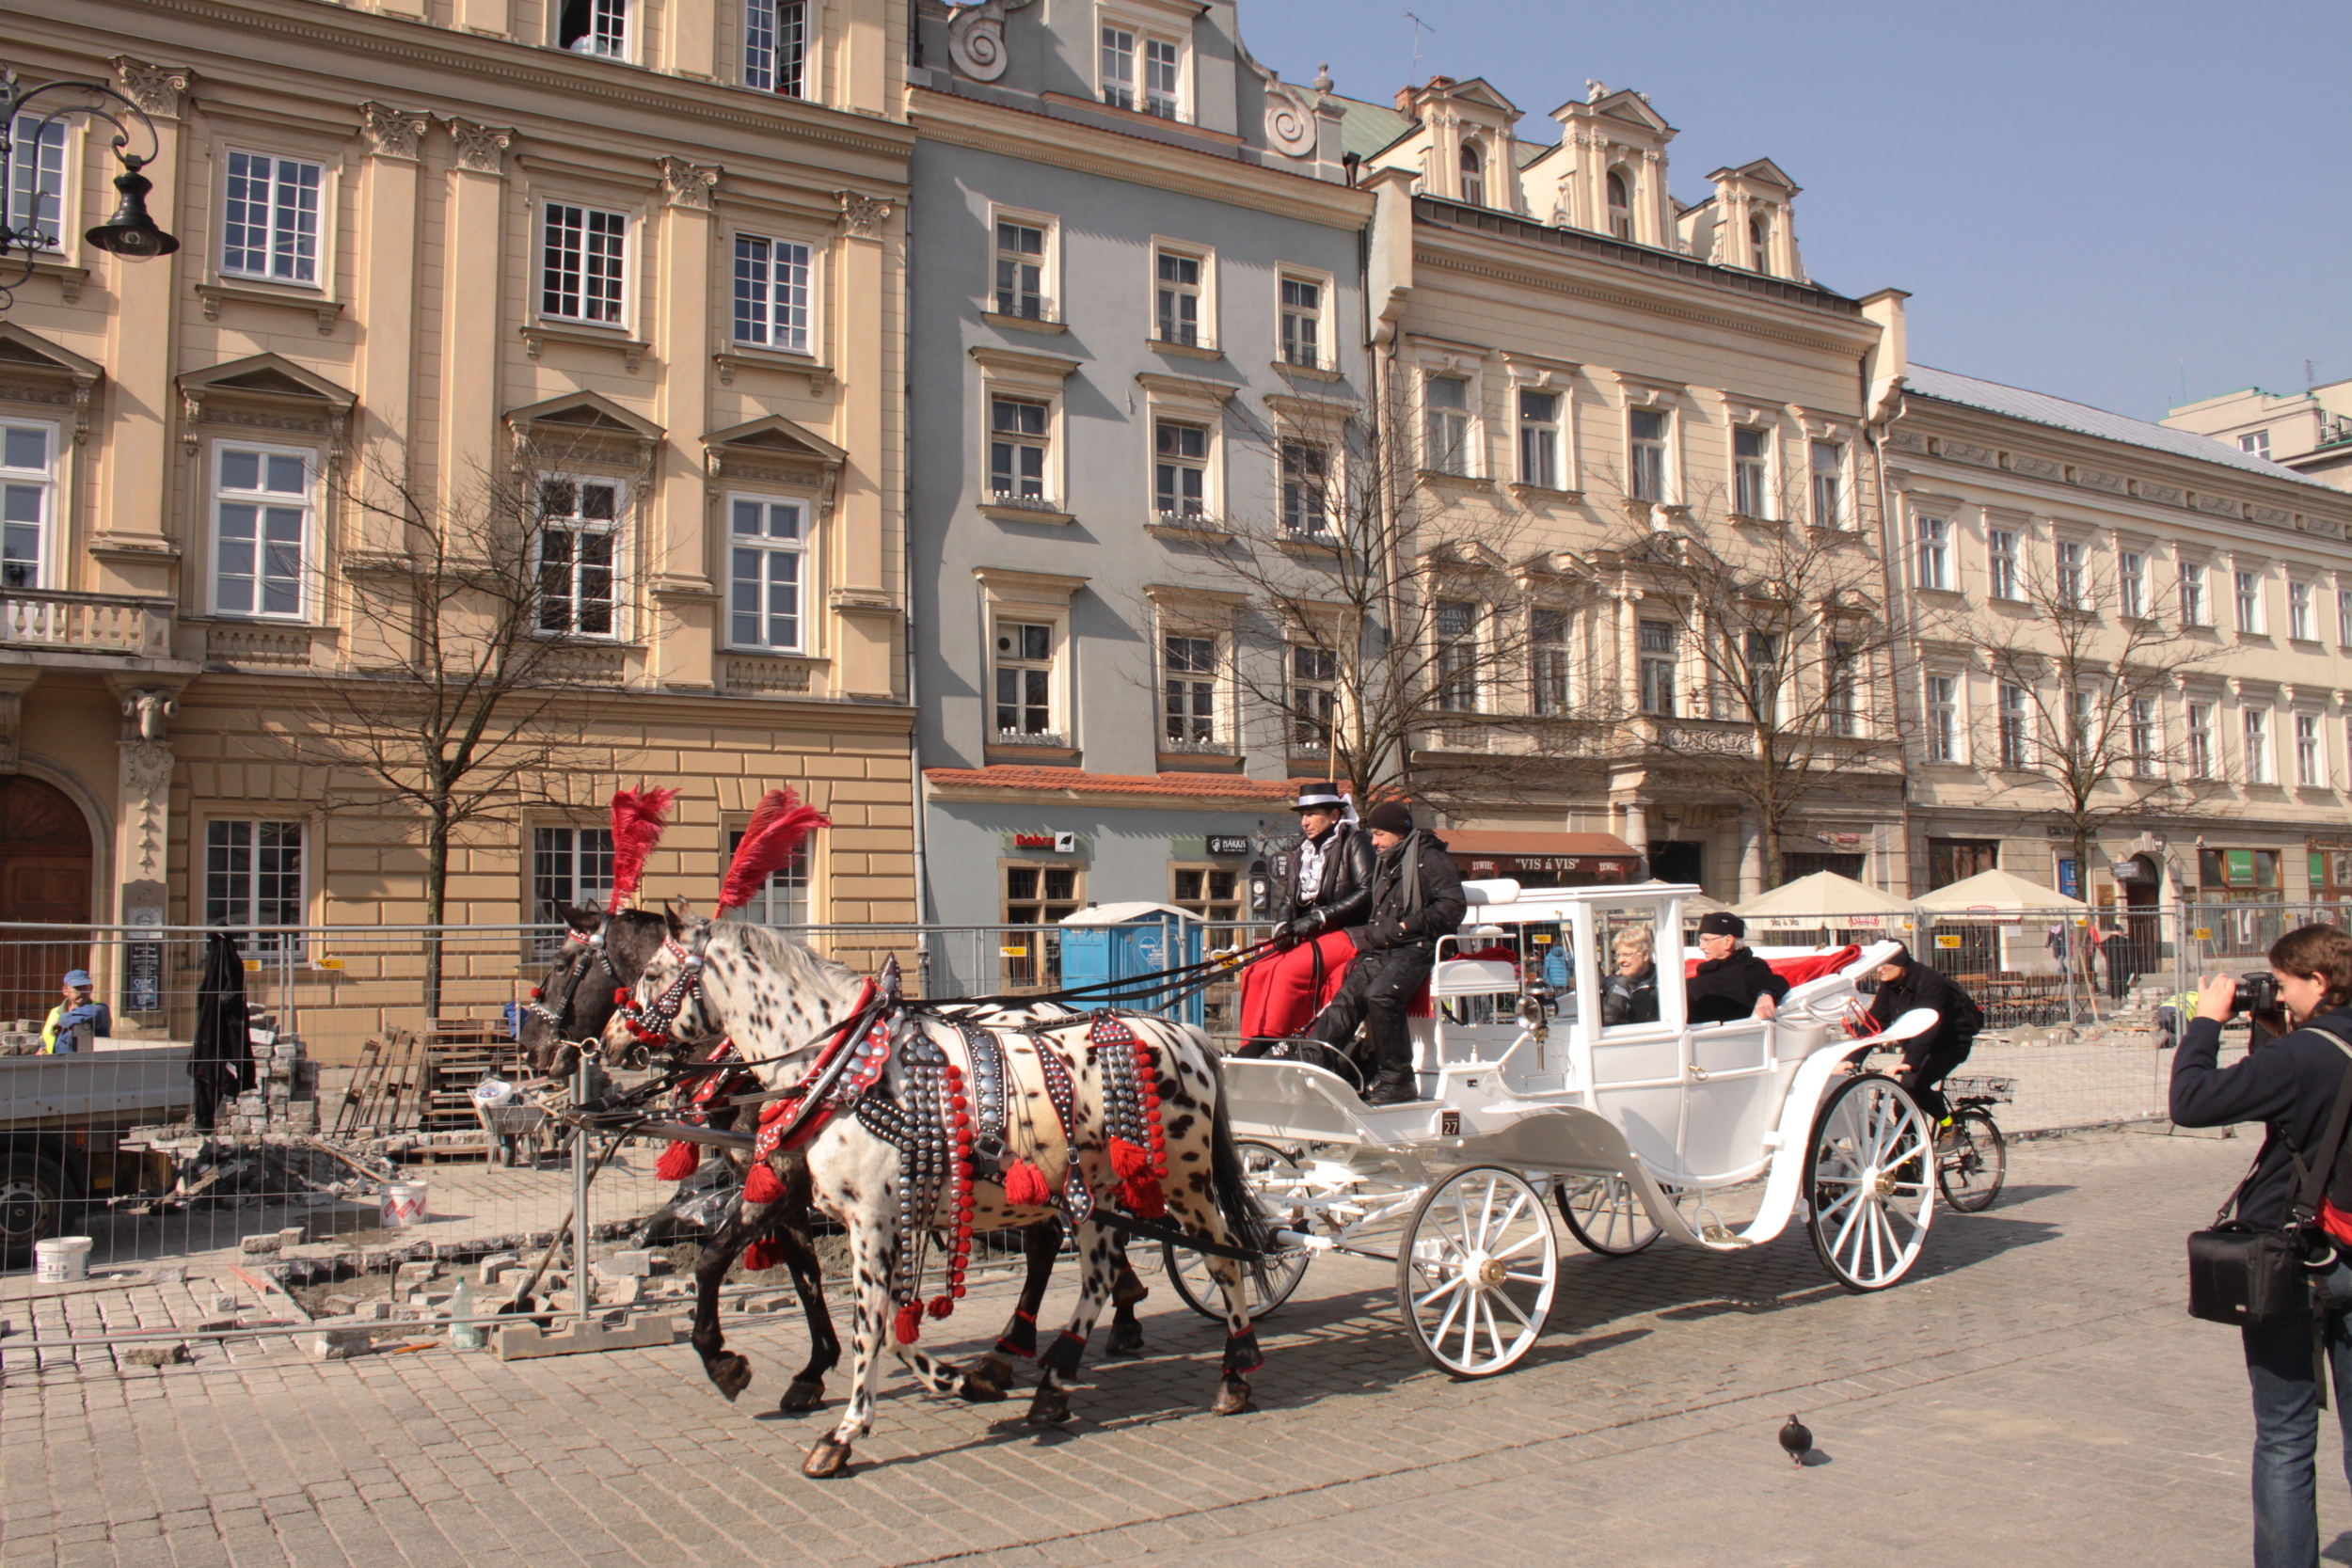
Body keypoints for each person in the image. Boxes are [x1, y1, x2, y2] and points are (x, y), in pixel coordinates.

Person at [2170, 923, 2352, 1568]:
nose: (2277, 994)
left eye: (2282, 983)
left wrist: (2205, 1024)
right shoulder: (2314, 1047)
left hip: (2296, 1258)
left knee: (2284, 1436)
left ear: (2319, 981)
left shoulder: (2306, 1055)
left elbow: (2191, 1102)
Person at [1305, 799, 1465, 1105]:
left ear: (1397, 832)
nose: (1374, 842)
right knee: (1348, 995)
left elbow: (1452, 906)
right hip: (1385, 947)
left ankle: (1398, 1079)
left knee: (1381, 995)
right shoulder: (1389, 860)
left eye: (1378, 834)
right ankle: (1315, 1058)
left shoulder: (1430, 858)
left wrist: (1405, 927)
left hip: (1419, 946)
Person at [1237, 784, 1375, 1050]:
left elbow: (1366, 893)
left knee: (1288, 970)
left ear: (1334, 815)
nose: (1304, 822)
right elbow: (1289, 899)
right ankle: (1250, 1042)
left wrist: (1319, 917)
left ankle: (1266, 1045)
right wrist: (1282, 927)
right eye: (1302, 815)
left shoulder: (1356, 842)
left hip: (1349, 932)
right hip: (1309, 932)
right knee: (1255, 969)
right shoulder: (1302, 852)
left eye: (1311, 814)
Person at [1866, 943, 1984, 1132]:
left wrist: (1910, 1063)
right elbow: (1875, 1024)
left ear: (1901, 963)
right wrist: (1850, 1059)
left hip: (1950, 1044)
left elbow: (1929, 1025)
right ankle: (1910, 1157)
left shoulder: (1930, 981)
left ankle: (1950, 1126)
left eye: (1884, 964)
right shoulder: (1889, 985)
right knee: (1902, 1104)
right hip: (1919, 1046)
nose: (1879, 969)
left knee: (1915, 1087)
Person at [1684, 911, 1787, 1024]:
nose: (1701, 947)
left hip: (1724, 1037)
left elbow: (1770, 981)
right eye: (1701, 940)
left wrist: (1766, 994)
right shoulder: (1707, 971)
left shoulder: (1747, 968)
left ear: (1728, 941)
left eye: (1707, 940)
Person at [40, 969, 112, 1054]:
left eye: (84, 987)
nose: (81, 991)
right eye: (76, 987)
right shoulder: (55, 1012)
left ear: (91, 988)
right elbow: (47, 1039)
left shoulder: (100, 1009)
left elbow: (93, 1013)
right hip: (57, 1063)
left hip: (89, 1064)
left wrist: (61, 1020)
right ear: (65, 991)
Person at [1601, 927, 1660, 1026]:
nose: (1620, 961)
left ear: (1645, 955)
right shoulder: (1613, 984)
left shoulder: (1663, 982)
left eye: (1627, 955)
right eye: (1618, 955)